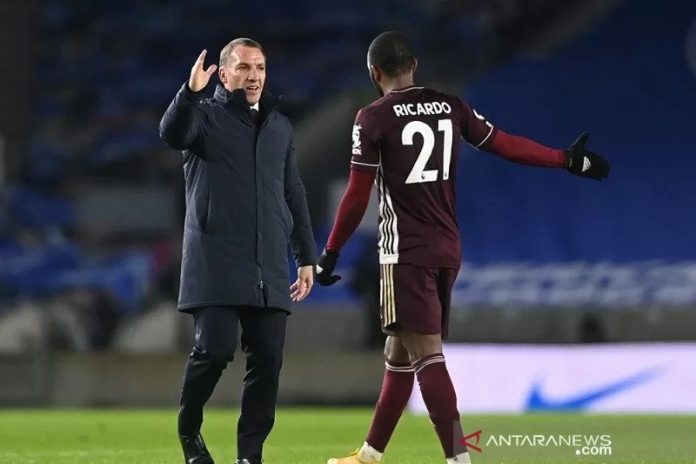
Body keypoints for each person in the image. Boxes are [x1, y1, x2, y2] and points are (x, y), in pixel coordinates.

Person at [315, 31, 609, 464]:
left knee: (426, 354)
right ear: (414, 64)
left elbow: (358, 194)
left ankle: (458, 457)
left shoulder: (371, 117)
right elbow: (507, 145)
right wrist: (566, 159)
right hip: (447, 246)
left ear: (374, 73)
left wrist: (331, 252)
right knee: (399, 351)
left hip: (406, 252)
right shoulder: (452, 106)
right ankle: (370, 454)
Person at [159, 38, 317, 464]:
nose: (254, 76)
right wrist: (188, 94)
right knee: (214, 350)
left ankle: (250, 456)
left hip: (268, 263)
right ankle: (189, 429)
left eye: (260, 67)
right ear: (224, 75)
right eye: (244, 68)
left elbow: (293, 191)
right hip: (215, 261)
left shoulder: (279, 126)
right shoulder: (203, 117)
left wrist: (306, 255)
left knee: (266, 363)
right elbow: (172, 133)